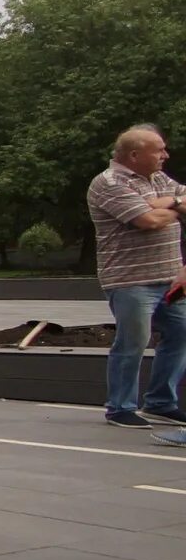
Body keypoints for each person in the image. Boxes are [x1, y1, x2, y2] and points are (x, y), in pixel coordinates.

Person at [86, 125, 184, 430]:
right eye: (159, 150)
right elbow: (148, 221)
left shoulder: (158, 178)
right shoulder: (108, 183)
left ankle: (160, 403)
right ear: (134, 154)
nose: (165, 155)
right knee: (133, 343)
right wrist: (176, 207)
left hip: (170, 278)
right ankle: (120, 407)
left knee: (182, 334)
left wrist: (171, 203)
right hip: (131, 281)